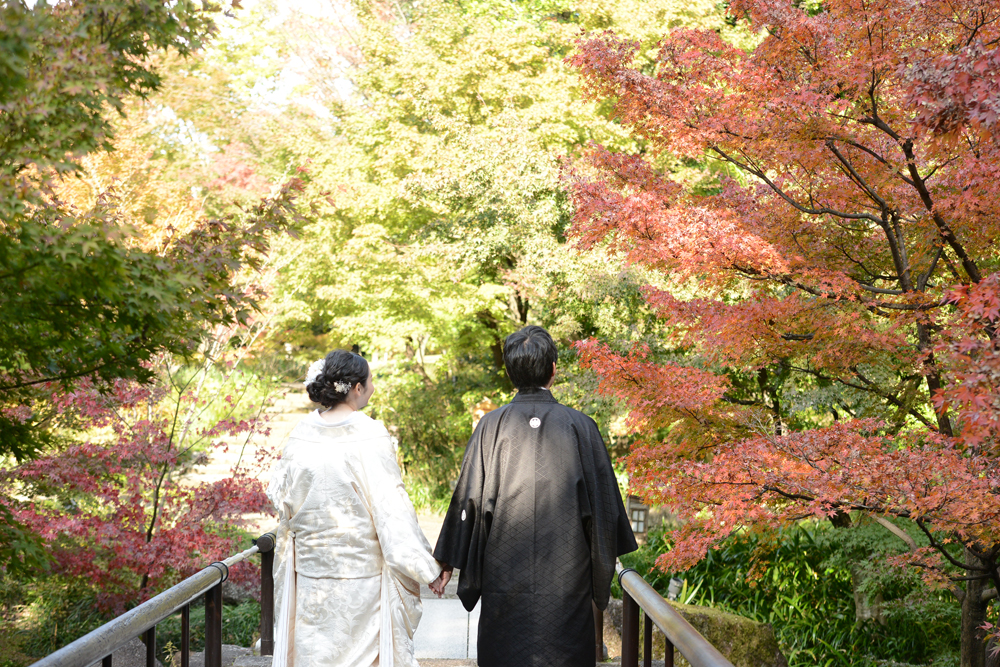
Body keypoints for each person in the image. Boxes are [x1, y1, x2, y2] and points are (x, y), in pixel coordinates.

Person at [433, 326, 638, 667]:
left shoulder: (490, 427)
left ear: (510, 372)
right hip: (567, 579)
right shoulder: (581, 426)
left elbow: (467, 501)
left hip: (503, 577)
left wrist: (446, 561)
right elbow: (605, 509)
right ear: (553, 369)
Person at [267, 349, 449, 667]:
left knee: (316, 656)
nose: (373, 388)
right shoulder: (369, 434)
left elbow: (281, 501)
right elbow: (391, 510)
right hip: (361, 582)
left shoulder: (301, 434)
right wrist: (426, 568)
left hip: (311, 578)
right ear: (357, 388)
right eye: (371, 381)